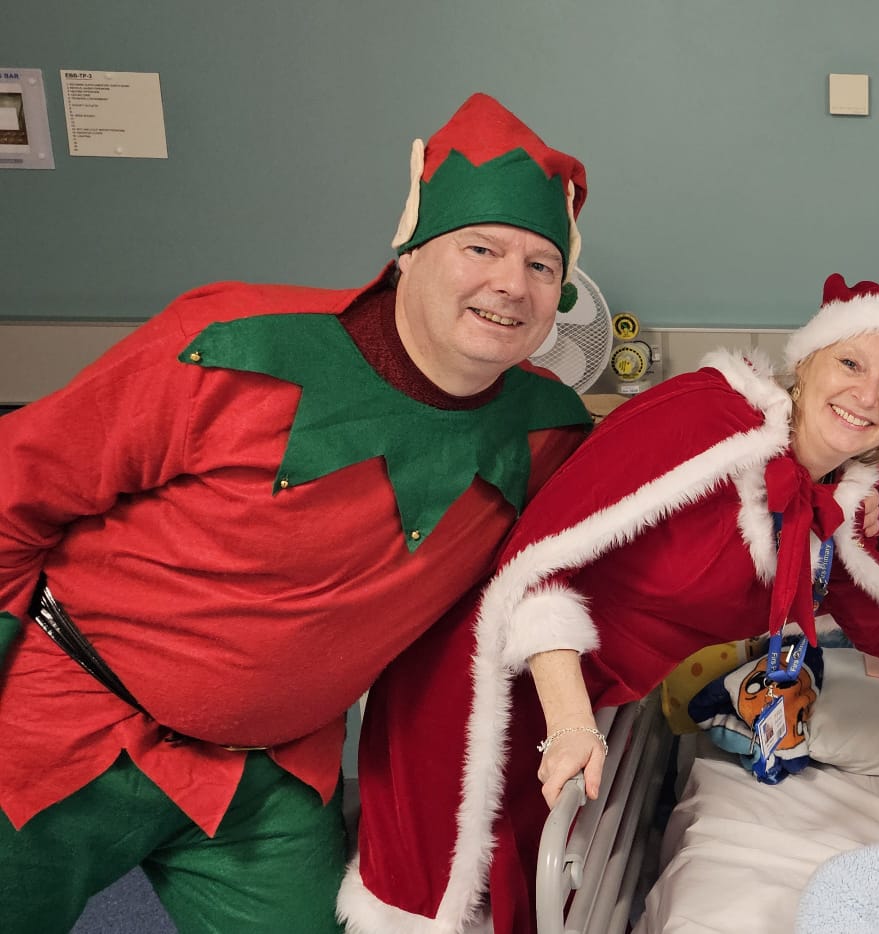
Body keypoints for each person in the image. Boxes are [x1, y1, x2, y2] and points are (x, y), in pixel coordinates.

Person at [0, 93, 592, 933]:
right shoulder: (231, 342)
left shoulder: (544, 430)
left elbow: (635, 518)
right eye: (481, 247)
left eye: (542, 265)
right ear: (410, 253)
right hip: (63, 718)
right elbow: (13, 487)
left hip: (266, 781)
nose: (511, 283)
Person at [346, 273, 879, 934]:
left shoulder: (827, 504)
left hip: (578, 703)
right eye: (852, 364)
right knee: (433, 906)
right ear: (807, 362)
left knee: (520, 899)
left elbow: (878, 621)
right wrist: (571, 721)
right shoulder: (707, 419)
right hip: (483, 682)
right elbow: (535, 564)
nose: (866, 395)